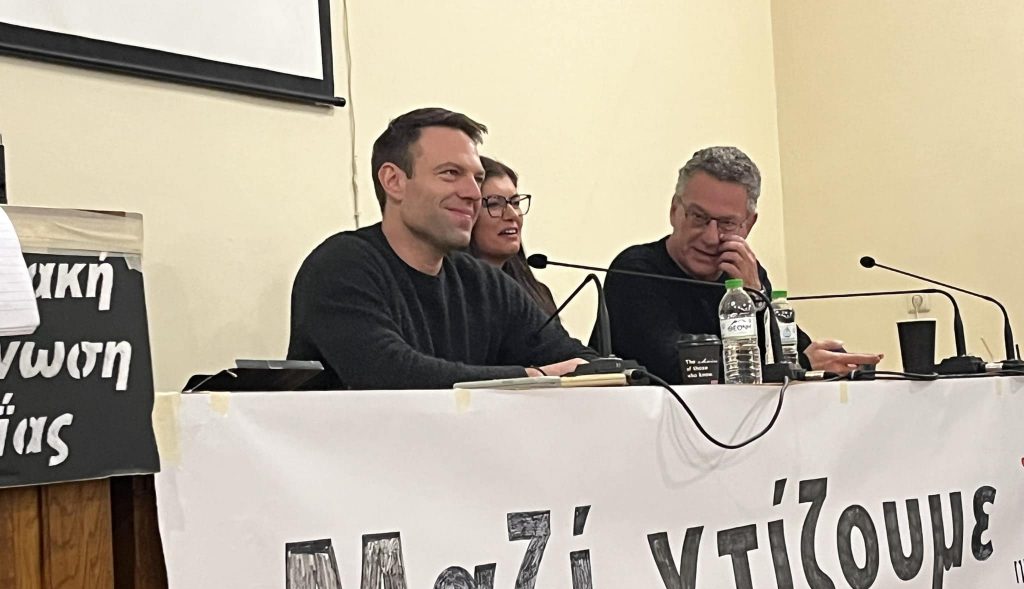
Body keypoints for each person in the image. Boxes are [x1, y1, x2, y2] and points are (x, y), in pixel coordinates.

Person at [287, 107, 593, 389]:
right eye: (451, 173)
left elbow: (574, 358)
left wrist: (605, 372)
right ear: (394, 181)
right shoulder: (340, 267)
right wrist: (535, 377)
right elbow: (391, 374)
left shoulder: (484, 283)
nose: (473, 193)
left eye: (477, 179)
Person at [600, 146, 882, 383]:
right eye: (698, 217)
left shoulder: (744, 271)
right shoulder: (634, 270)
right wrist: (800, 365)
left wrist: (756, 298)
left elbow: (791, 350)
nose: (711, 237)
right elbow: (683, 370)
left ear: (748, 224)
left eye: (727, 223)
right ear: (675, 210)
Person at [469, 157, 557, 316]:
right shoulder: (454, 295)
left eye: (515, 202)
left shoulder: (538, 294)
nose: (513, 215)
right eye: (494, 204)